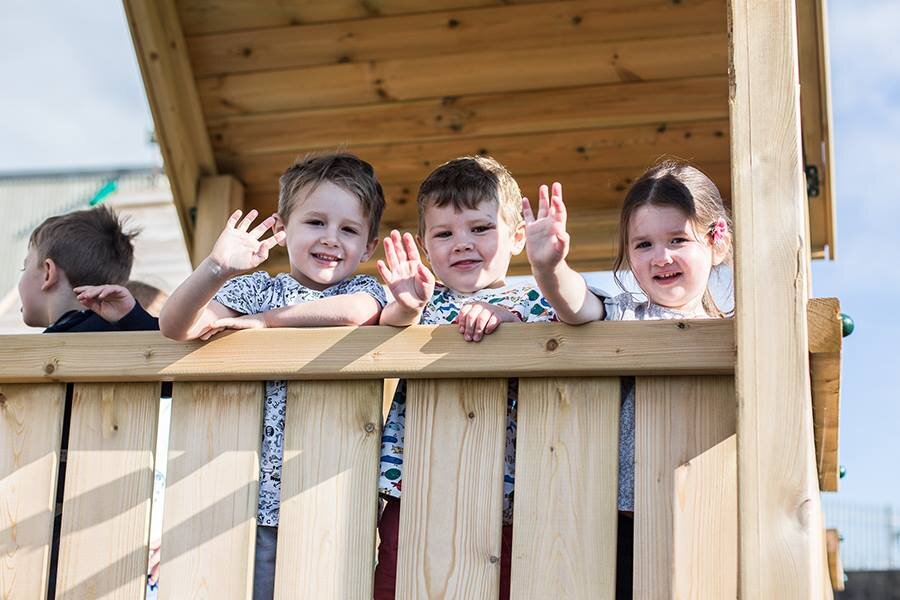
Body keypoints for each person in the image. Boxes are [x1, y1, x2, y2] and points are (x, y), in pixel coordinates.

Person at [158, 152, 387, 600]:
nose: (331, 239)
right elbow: (176, 326)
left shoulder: (364, 289)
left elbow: (358, 313)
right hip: (241, 497)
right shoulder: (255, 287)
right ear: (282, 229)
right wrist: (216, 267)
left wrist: (265, 324)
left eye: (349, 229)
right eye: (315, 222)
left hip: (330, 496)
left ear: (369, 245)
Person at [521, 159, 733, 598]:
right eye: (643, 244)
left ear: (717, 243)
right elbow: (576, 305)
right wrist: (548, 268)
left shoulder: (737, 332)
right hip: (624, 523)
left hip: (712, 513)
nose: (662, 257)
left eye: (678, 239)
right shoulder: (626, 315)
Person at [371, 155, 557, 600]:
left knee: (505, 580)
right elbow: (386, 330)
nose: (461, 243)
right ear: (425, 244)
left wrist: (506, 317)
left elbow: (561, 326)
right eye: (443, 233)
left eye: (479, 228)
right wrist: (407, 306)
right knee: (399, 579)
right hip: (415, 484)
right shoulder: (423, 302)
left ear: (515, 237)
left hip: (510, 492)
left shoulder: (535, 300)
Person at [16, 205, 159, 598]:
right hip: (112, 512)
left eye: (23, 268)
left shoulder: (64, 346)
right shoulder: (125, 332)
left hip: (54, 513)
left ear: (46, 272)